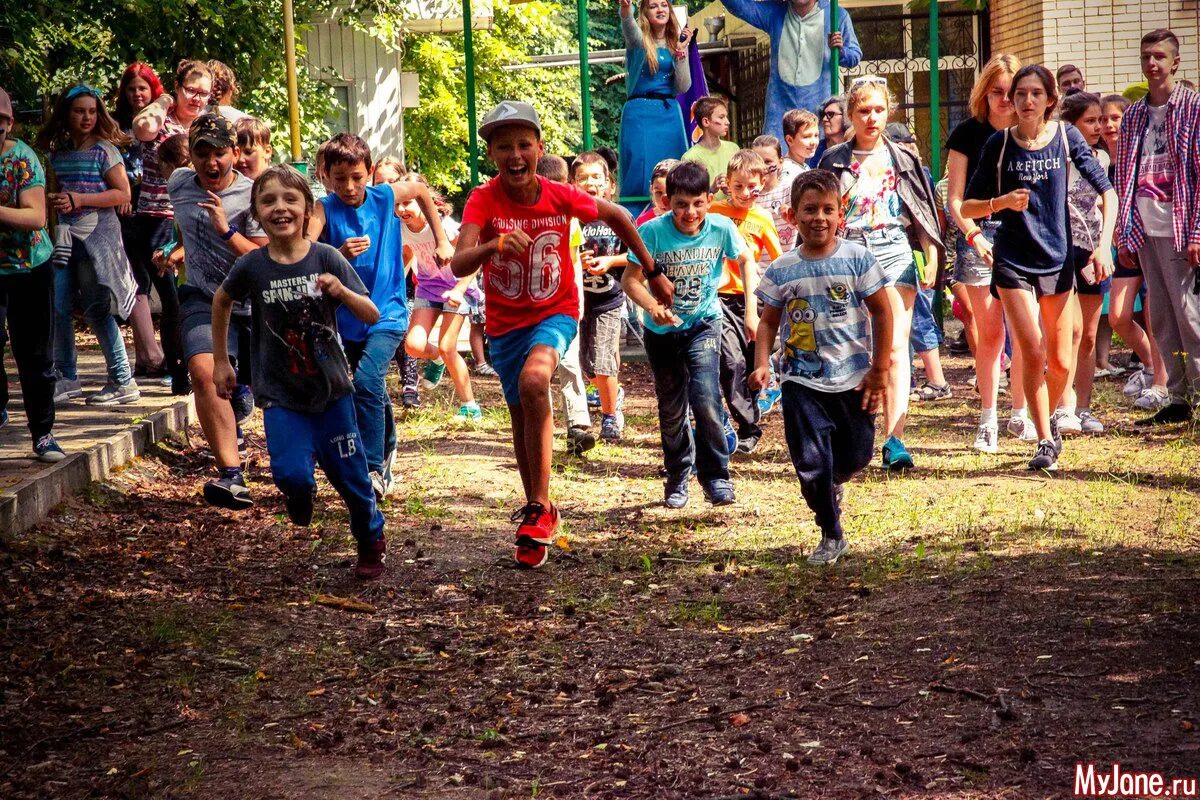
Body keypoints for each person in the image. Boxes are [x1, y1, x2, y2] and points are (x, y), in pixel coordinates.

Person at [451, 101, 661, 568]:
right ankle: (537, 511)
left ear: (539, 148)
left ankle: (541, 505)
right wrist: (492, 244)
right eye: (504, 146)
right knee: (519, 415)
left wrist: (652, 268)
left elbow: (619, 217)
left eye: (524, 144)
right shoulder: (483, 200)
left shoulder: (560, 195)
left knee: (535, 382)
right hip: (505, 324)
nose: (515, 154)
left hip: (557, 311)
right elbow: (458, 263)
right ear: (492, 154)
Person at [212, 165, 386, 579]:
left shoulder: (326, 257)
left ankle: (370, 539)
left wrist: (342, 291)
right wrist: (222, 361)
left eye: (290, 199)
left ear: (308, 209)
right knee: (289, 472)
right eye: (268, 200)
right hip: (281, 395)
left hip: (332, 394)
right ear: (255, 211)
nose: (280, 208)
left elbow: (372, 312)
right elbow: (221, 301)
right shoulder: (253, 266)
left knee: (353, 482)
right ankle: (299, 493)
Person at [962, 64, 1116, 471]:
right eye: (1020, 94)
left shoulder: (1066, 138)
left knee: (1061, 360)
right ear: (1011, 101)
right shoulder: (998, 144)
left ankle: (1047, 414)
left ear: (1051, 100)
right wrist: (1000, 203)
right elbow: (967, 206)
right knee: (1031, 348)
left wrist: (1103, 247)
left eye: (1035, 94)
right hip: (1012, 261)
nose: (1027, 101)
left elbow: (1108, 192)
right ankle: (1046, 439)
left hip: (1058, 260)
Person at [749, 169, 896, 564]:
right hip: (801, 379)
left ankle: (834, 483)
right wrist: (763, 363)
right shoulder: (782, 268)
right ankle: (831, 532)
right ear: (792, 215)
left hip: (853, 378)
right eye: (809, 209)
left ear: (840, 215)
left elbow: (882, 313)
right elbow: (767, 321)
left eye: (827, 209)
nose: (819, 218)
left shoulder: (858, 258)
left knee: (857, 455)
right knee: (811, 462)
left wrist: (879, 369)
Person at [310, 133, 453, 500]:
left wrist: (441, 239)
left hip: (388, 312)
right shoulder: (323, 209)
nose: (349, 186)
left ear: (370, 172)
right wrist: (337, 252)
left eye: (357, 177)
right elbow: (307, 252)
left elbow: (421, 191)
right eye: (340, 178)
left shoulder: (384, 196)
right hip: (348, 317)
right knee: (370, 386)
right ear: (326, 175)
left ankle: (372, 468)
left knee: (366, 380)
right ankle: (388, 446)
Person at [819, 76, 943, 471]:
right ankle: (853, 432)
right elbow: (818, 210)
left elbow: (922, 207)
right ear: (850, 115)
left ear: (888, 111)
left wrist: (931, 251)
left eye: (878, 109)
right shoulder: (833, 159)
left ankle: (895, 440)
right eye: (862, 111)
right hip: (847, 252)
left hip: (893, 249)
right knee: (852, 344)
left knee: (894, 344)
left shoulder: (902, 157)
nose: (871, 118)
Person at [623, 160, 753, 507]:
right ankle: (679, 475)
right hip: (661, 331)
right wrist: (653, 307)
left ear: (709, 199)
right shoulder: (652, 232)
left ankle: (716, 475)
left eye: (697, 203)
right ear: (668, 202)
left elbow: (746, 259)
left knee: (707, 398)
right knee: (671, 407)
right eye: (681, 204)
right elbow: (630, 281)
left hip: (704, 324)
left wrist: (752, 310)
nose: (689, 212)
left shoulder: (722, 228)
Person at [168, 113, 268, 507]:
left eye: (220, 153)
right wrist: (176, 251)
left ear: (236, 153)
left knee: (264, 389)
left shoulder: (253, 194)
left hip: (250, 303)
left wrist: (226, 229)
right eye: (202, 153)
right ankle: (231, 475)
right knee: (204, 372)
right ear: (190, 156)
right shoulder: (178, 183)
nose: (212, 163)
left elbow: (262, 257)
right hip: (201, 297)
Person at [1114, 29, 1200, 426]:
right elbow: (1124, 180)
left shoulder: (1193, 108)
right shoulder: (1133, 116)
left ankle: (1197, 394)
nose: (1152, 63)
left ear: (1175, 62)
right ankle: (1179, 397)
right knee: (1163, 318)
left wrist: (1198, 232)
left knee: (1190, 314)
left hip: (1182, 228)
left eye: (1160, 56)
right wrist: (1124, 230)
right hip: (1146, 228)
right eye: (1147, 55)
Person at [36, 86, 140, 406]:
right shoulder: (59, 152)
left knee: (96, 309)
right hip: (65, 240)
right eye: (80, 111)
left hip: (97, 240)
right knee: (58, 308)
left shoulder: (104, 150)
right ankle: (67, 377)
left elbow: (123, 193)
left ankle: (123, 380)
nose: (87, 117)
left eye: (92, 111)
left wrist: (79, 199)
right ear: (67, 114)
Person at [945, 54, 1025, 452]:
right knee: (991, 333)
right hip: (978, 236)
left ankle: (1022, 412)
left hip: (1025, 236)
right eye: (997, 92)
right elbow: (954, 199)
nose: (1006, 100)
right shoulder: (966, 134)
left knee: (1027, 332)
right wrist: (974, 236)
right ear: (984, 93)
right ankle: (988, 418)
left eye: (1013, 93)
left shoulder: (1034, 133)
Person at [132, 59, 213, 394]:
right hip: (156, 217)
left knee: (196, 294)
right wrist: (164, 100)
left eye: (204, 93)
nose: (196, 98)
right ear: (177, 87)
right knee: (171, 299)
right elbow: (141, 128)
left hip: (196, 220)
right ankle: (177, 372)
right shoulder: (161, 120)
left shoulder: (208, 126)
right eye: (190, 90)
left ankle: (197, 365)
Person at [0, 84, 65, 462]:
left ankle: (43, 433)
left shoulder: (22, 160)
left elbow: (36, 216)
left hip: (29, 267)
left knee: (34, 354)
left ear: (9, 124)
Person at [710, 149, 780, 453]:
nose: (745, 193)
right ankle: (747, 423)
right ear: (727, 183)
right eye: (738, 186)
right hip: (718, 298)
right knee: (730, 361)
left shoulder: (762, 218)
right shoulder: (713, 211)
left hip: (751, 300)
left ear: (762, 183)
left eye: (752, 186)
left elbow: (778, 261)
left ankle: (750, 415)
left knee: (750, 363)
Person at [720, 0, 861, 143]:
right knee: (773, 154)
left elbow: (854, 56)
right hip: (780, 114)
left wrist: (841, 51)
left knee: (818, 159)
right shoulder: (775, 12)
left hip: (818, 112)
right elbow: (739, 6)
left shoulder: (836, 15)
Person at [400, 182, 481, 423]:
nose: (402, 209)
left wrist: (459, 288)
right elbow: (407, 255)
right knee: (413, 345)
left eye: (408, 203)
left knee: (448, 346)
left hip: (457, 287)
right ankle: (436, 359)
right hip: (427, 287)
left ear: (425, 202)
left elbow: (472, 256)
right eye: (398, 205)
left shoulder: (444, 226)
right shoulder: (402, 228)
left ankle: (470, 406)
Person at [534, 154, 598, 456]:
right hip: (534, 306)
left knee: (570, 363)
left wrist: (579, 297)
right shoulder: (527, 214)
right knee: (539, 369)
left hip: (564, 302)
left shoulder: (570, 219)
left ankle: (579, 425)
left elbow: (573, 261)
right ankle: (542, 425)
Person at [1057, 90, 1111, 434]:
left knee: (1089, 335)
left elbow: (1106, 202)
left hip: (1093, 251)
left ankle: (1085, 407)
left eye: (1101, 121)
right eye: (1090, 121)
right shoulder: (1060, 156)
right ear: (1071, 125)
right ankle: (1063, 406)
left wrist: (1107, 243)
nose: (1098, 127)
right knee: (1069, 331)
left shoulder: (1102, 160)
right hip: (1062, 251)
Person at [113, 62, 167, 378]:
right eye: (132, 88)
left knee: (164, 279)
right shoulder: (114, 122)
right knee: (135, 280)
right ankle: (147, 353)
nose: (137, 94)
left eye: (142, 88)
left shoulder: (161, 120)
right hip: (127, 209)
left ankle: (160, 353)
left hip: (158, 209)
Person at [573, 151, 631, 441]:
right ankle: (613, 391)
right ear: (573, 184)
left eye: (596, 177)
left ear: (609, 183)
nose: (590, 183)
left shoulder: (618, 216)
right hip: (579, 302)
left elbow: (635, 252)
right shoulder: (572, 218)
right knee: (586, 365)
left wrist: (610, 262)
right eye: (582, 178)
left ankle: (610, 416)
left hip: (609, 300)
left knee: (601, 362)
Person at [617, 0, 694, 209]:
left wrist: (680, 54)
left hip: (669, 113)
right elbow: (629, 27)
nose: (660, 10)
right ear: (644, 12)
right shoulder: (638, 41)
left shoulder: (676, 43)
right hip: (640, 112)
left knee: (675, 167)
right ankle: (636, 218)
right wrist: (626, 10)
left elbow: (683, 86)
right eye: (653, 6)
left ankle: (677, 209)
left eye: (664, 5)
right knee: (640, 168)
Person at [752, 135, 799, 253]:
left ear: (780, 162)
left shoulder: (791, 189)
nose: (762, 167)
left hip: (787, 264)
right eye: (757, 161)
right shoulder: (748, 196)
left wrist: (793, 219)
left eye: (768, 162)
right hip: (756, 268)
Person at [682, 96, 740, 192]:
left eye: (726, 117)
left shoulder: (734, 149)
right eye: (721, 117)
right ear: (706, 122)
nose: (728, 122)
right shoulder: (689, 157)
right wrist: (711, 189)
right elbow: (689, 194)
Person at [811, 95, 850, 167]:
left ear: (846, 116)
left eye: (830, 114)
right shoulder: (815, 149)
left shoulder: (855, 146)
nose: (824, 119)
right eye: (823, 115)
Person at [636, 158, 677, 226]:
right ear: (651, 189)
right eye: (659, 193)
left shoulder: (692, 220)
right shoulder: (643, 223)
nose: (664, 199)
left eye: (671, 192)